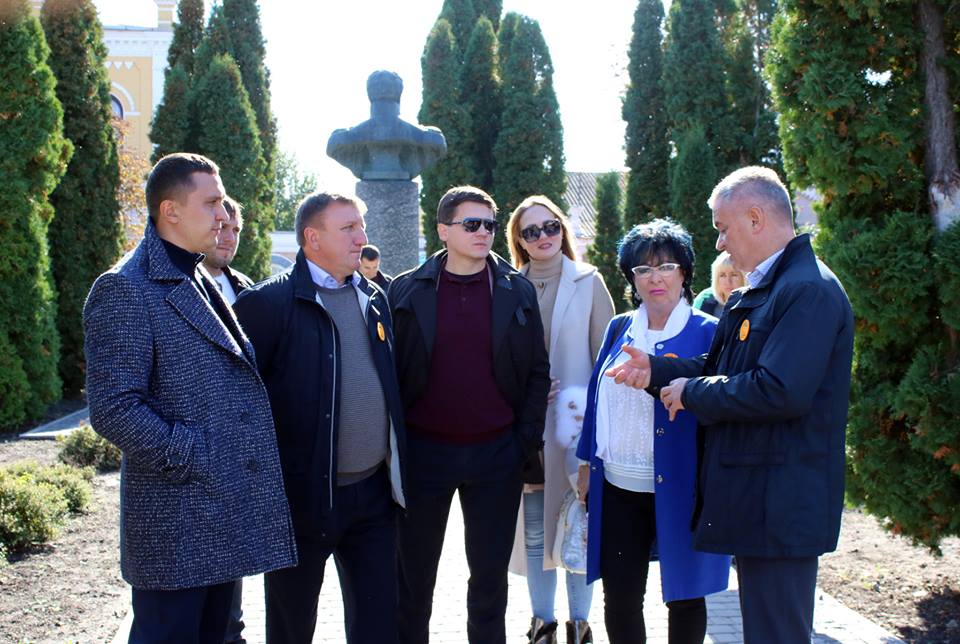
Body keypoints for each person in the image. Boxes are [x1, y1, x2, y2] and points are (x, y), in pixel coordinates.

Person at [607, 167, 855, 644]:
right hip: (761, 499)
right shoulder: (769, 287)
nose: (719, 243)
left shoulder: (806, 289)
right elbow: (720, 362)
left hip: (782, 504)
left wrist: (690, 394)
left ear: (756, 218)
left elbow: (777, 389)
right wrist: (657, 371)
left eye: (722, 228)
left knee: (777, 633)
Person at [83, 153, 296, 644]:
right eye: (212, 203)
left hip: (220, 511)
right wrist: (198, 453)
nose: (224, 215)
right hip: (176, 523)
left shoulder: (202, 279)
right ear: (171, 211)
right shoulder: (125, 288)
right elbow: (114, 407)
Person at [232, 191, 407, 644]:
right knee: (291, 630)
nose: (362, 238)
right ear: (312, 238)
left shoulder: (375, 298)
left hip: (373, 498)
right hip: (300, 501)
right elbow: (238, 406)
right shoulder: (266, 305)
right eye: (348, 228)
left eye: (361, 226)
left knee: (379, 627)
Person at [388, 186, 551, 644]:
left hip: (496, 455)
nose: (484, 233)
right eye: (471, 224)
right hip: (424, 457)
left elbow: (538, 370)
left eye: (490, 225)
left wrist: (524, 441)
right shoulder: (406, 289)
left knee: (488, 584)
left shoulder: (515, 289)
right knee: (413, 582)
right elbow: (391, 376)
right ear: (443, 230)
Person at [574, 220, 731, 643]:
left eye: (666, 265)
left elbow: (721, 403)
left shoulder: (710, 332)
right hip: (618, 485)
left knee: (685, 595)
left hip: (684, 487)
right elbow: (595, 398)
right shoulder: (619, 327)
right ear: (631, 278)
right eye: (643, 269)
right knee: (621, 597)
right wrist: (588, 463)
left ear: (685, 273)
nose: (655, 277)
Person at [505, 196, 614, 644]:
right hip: (527, 428)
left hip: (575, 429)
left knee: (579, 528)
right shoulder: (509, 286)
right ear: (519, 241)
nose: (543, 236)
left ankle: (581, 625)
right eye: (531, 231)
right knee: (535, 531)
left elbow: (607, 362)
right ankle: (541, 623)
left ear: (562, 229)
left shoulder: (589, 282)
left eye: (550, 226)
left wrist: (596, 437)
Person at [203, 196, 253, 307]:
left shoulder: (247, 287)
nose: (230, 239)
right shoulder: (175, 287)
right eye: (222, 227)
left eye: (236, 230)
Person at [692, 251, 746, 317]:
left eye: (734, 275)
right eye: (722, 275)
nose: (728, 281)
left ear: (744, 277)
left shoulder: (756, 303)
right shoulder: (704, 300)